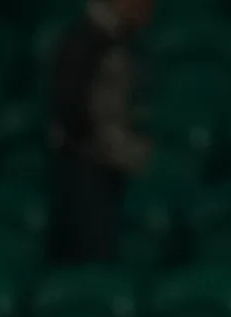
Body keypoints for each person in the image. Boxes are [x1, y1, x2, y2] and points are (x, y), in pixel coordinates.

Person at [49, 0, 153, 262]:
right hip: (88, 171)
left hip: (99, 170)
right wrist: (135, 156)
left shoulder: (116, 42)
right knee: (91, 259)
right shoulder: (88, 44)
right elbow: (79, 116)